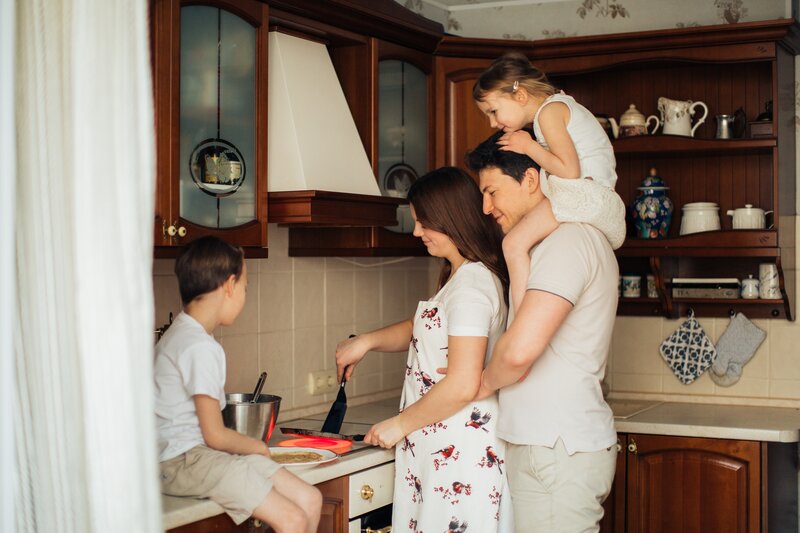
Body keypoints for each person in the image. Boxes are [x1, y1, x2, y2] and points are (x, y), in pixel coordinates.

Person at [334, 167, 513, 532]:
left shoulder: (471, 286)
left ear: (452, 218)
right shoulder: (460, 277)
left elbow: (463, 383)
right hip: (443, 443)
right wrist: (366, 341)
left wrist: (399, 424)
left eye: (423, 222)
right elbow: (427, 327)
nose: (417, 232)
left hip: (460, 453)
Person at [466, 133, 619, 533]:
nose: (486, 207)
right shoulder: (544, 244)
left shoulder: (568, 241)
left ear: (531, 180)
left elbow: (519, 353)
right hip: (551, 446)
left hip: (556, 449)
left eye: (492, 191)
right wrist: (515, 249)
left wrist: (482, 382)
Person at [154, 236, 322, 533]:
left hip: (200, 457)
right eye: (245, 288)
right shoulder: (198, 346)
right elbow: (215, 435)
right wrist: (257, 446)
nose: (244, 295)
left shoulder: (184, 334)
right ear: (230, 286)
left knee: (310, 499)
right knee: (293, 519)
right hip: (181, 461)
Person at [473, 51, 626, 312]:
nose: (492, 122)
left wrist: (528, 146)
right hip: (595, 196)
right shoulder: (560, 105)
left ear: (520, 95)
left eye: (494, 111)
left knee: (513, 244)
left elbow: (568, 170)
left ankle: (519, 321)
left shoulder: (549, 113)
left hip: (583, 195)